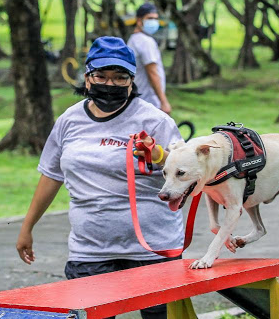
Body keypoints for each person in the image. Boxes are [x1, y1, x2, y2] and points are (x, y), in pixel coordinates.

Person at [16, 36, 184, 319]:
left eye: (120, 77)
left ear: (132, 81)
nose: (110, 84)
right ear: (87, 76)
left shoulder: (155, 121)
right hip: (90, 252)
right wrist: (27, 227)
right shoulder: (68, 121)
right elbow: (51, 175)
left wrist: (158, 155)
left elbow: (184, 173)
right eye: (101, 76)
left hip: (152, 251)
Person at [127, 2, 172, 115]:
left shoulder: (133, 39)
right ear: (139, 20)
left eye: (155, 19)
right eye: (150, 18)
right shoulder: (145, 41)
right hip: (148, 102)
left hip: (138, 101)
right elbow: (152, 73)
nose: (153, 22)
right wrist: (164, 101)